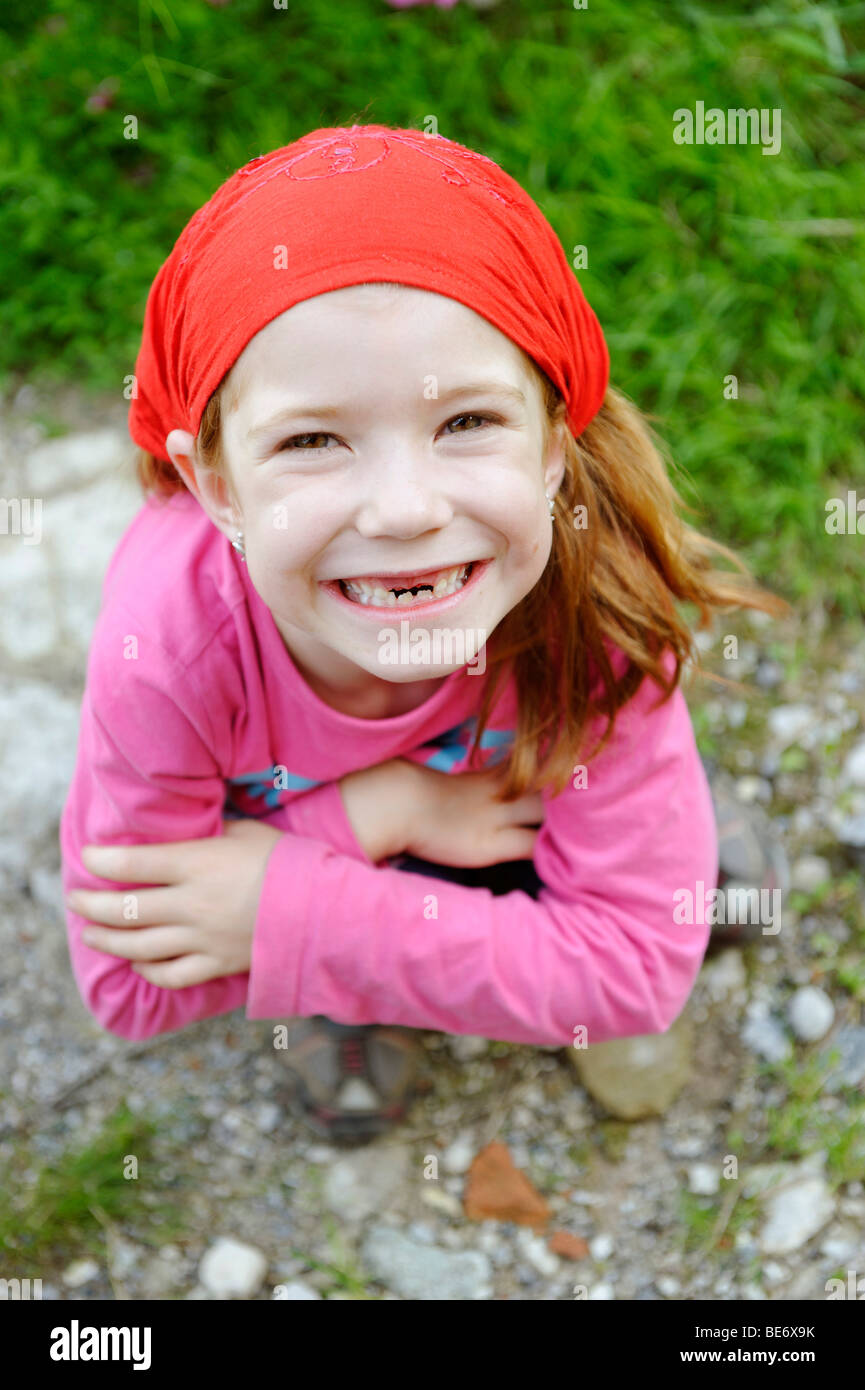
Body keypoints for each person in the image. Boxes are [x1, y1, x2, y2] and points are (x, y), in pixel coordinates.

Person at [60, 125, 787, 1145]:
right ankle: (384, 979)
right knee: (585, 919)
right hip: (350, 824)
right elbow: (129, 982)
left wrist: (285, 906)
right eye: (312, 440)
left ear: (550, 445)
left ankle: (635, 846)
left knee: (653, 916)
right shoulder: (169, 648)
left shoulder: (594, 589)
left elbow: (635, 971)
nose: (402, 510)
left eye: (466, 425)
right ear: (215, 485)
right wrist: (373, 819)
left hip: (484, 798)